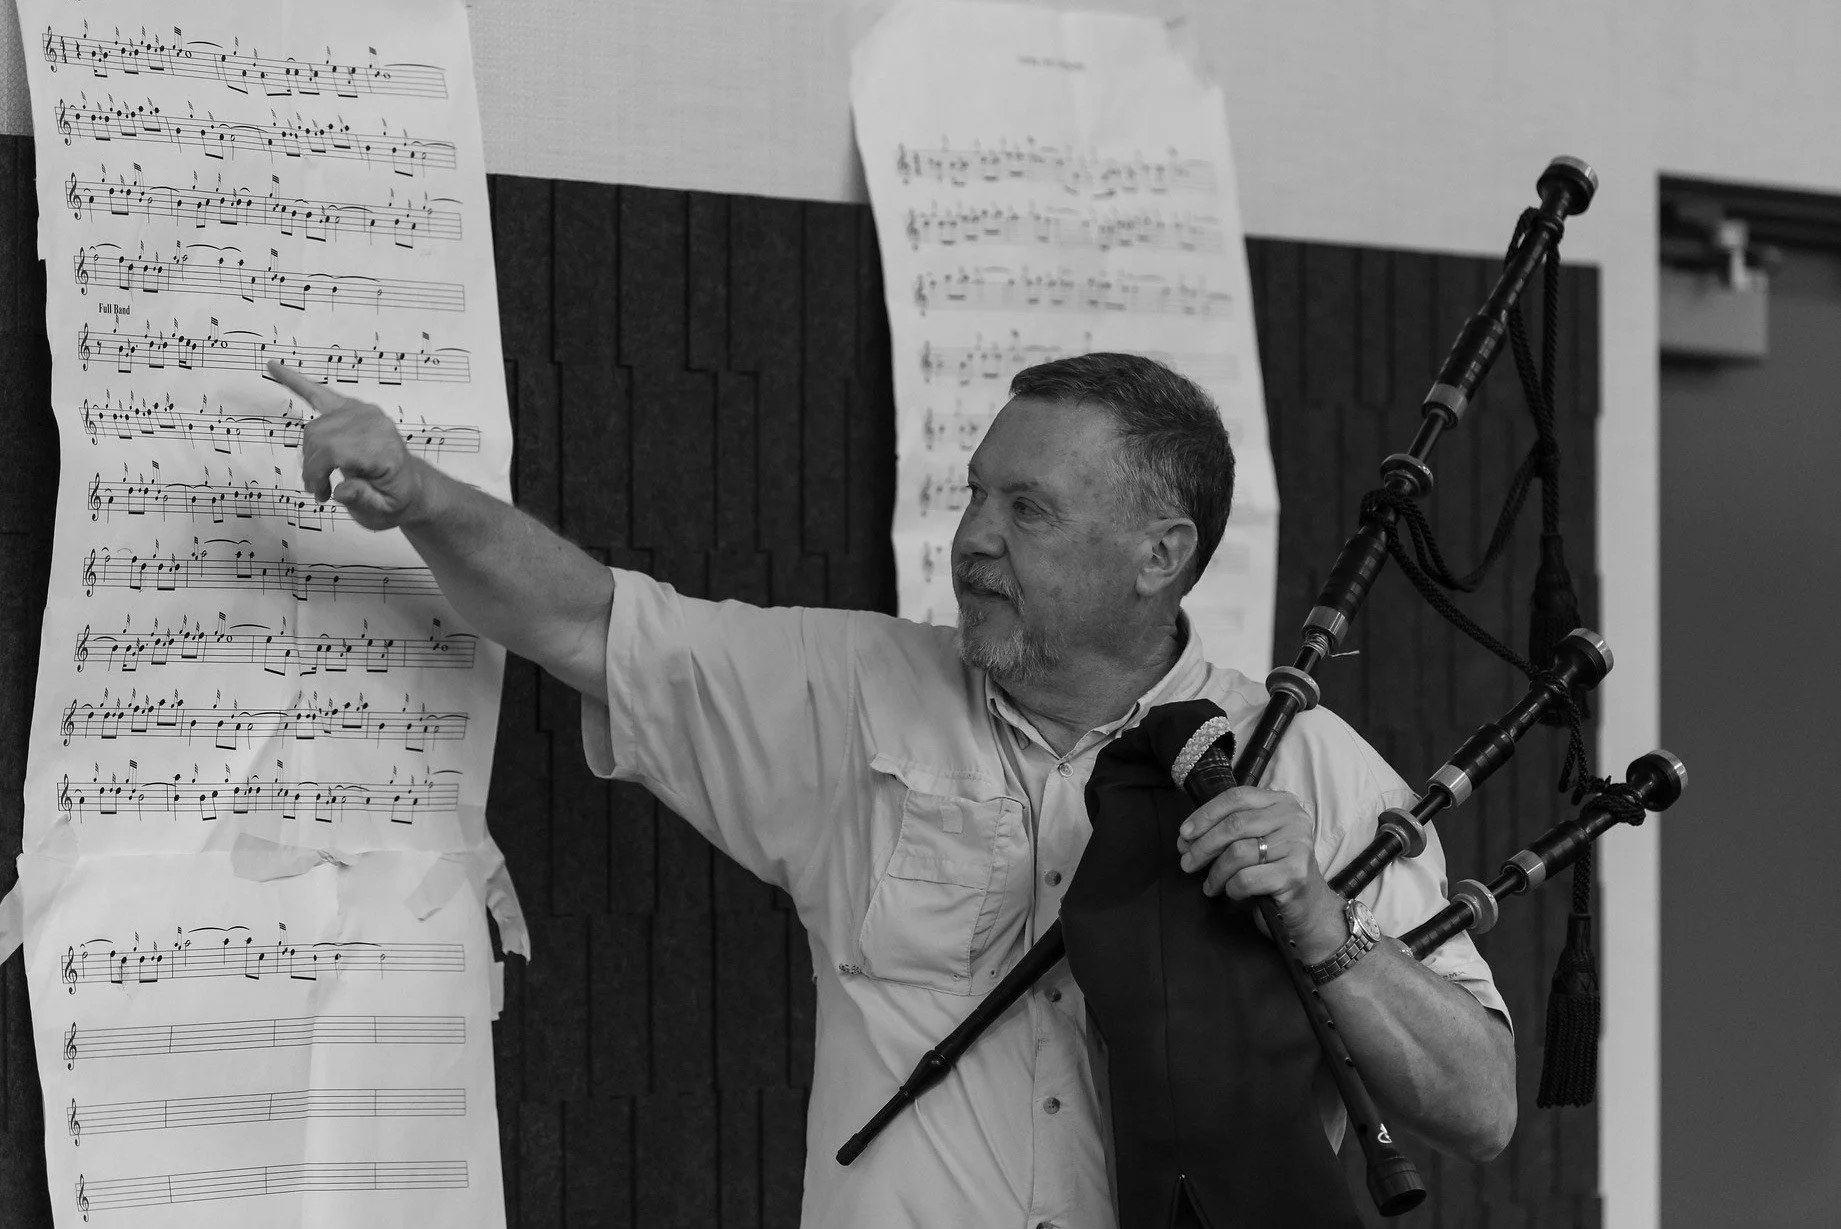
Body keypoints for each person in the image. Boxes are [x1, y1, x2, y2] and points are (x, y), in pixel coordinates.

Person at [268, 352, 1515, 1228]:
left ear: (1160, 553)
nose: (971, 537)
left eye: (1025, 508)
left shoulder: (1305, 767)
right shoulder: (851, 691)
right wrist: (420, 495)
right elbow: (586, 624)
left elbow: (1477, 1107)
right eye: (974, 492)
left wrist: (1325, 930)